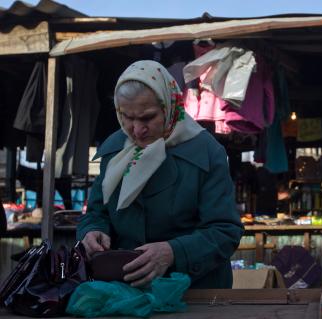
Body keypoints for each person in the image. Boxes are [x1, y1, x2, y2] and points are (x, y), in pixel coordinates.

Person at [77, 60, 243, 289]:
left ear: (169, 105)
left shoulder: (206, 151)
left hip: (194, 293)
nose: (136, 129)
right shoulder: (115, 149)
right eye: (127, 116)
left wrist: (173, 252)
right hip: (126, 292)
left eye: (147, 118)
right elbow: (97, 212)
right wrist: (92, 231)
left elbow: (225, 231)